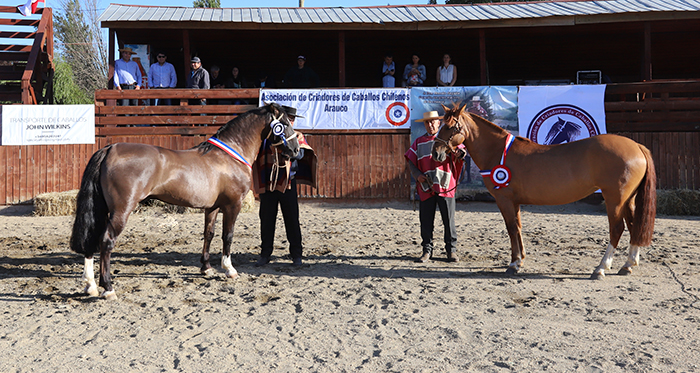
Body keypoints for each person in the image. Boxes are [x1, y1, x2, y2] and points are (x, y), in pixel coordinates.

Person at [253, 106, 317, 267]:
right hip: (268, 182)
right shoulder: (267, 137)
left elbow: (300, 153)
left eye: (292, 118)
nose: (291, 121)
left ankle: (296, 254)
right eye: (288, 118)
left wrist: (288, 150)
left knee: (292, 219)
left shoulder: (297, 136)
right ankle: (265, 253)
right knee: (267, 219)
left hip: (288, 182)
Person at [405, 110, 465, 263]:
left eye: (433, 121)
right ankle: (426, 250)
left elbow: (461, 151)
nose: (430, 124)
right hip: (426, 186)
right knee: (426, 220)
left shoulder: (448, 139)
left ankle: (451, 251)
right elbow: (411, 161)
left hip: (445, 184)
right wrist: (417, 175)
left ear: (439, 123)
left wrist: (460, 154)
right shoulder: (418, 142)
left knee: (448, 220)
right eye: (427, 122)